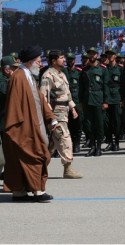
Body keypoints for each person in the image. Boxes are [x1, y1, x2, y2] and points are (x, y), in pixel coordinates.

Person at [3, 45, 56, 202]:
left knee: (27, 159)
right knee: (36, 155)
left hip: (35, 124)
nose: (41, 63)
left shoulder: (29, 77)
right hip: (23, 127)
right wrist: (15, 129)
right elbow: (13, 105)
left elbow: (40, 99)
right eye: (39, 60)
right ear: (30, 61)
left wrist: (50, 118)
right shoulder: (18, 78)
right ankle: (38, 192)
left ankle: (19, 192)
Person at [40, 50, 83, 179]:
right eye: (61, 58)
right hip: (55, 113)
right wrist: (50, 117)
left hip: (64, 111)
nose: (64, 60)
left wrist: (73, 108)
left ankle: (38, 169)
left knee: (52, 144)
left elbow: (67, 94)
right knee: (64, 138)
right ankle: (68, 168)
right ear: (54, 61)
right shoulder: (48, 76)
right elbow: (44, 98)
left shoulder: (62, 74)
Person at [79, 47, 110, 157]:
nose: (91, 56)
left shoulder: (102, 69)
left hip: (98, 100)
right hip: (87, 100)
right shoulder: (84, 70)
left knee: (99, 124)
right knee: (89, 125)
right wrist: (81, 102)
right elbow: (81, 88)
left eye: (93, 54)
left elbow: (106, 86)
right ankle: (92, 146)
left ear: (97, 55)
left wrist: (105, 101)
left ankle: (98, 147)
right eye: (90, 54)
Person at [0, 56, 21, 180]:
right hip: (3, 123)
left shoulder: (8, 79)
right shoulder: (3, 81)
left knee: (9, 153)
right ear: (7, 70)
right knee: (2, 158)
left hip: (6, 123)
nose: (16, 71)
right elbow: (6, 91)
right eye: (14, 68)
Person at [103, 48, 123, 152]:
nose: (110, 57)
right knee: (107, 122)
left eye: (111, 55)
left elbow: (123, 85)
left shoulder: (120, 69)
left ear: (115, 56)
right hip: (107, 99)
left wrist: (122, 99)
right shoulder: (104, 69)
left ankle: (117, 142)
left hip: (116, 98)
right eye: (108, 55)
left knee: (117, 122)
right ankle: (110, 142)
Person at [65, 52, 83, 153]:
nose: (70, 61)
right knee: (69, 124)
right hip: (67, 101)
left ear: (74, 61)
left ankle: (77, 143)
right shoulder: (63, 72)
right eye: (68, 59)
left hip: (77, 101)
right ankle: (71, 143)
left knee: (78, 124)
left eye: (71, 60)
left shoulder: (79, 72)